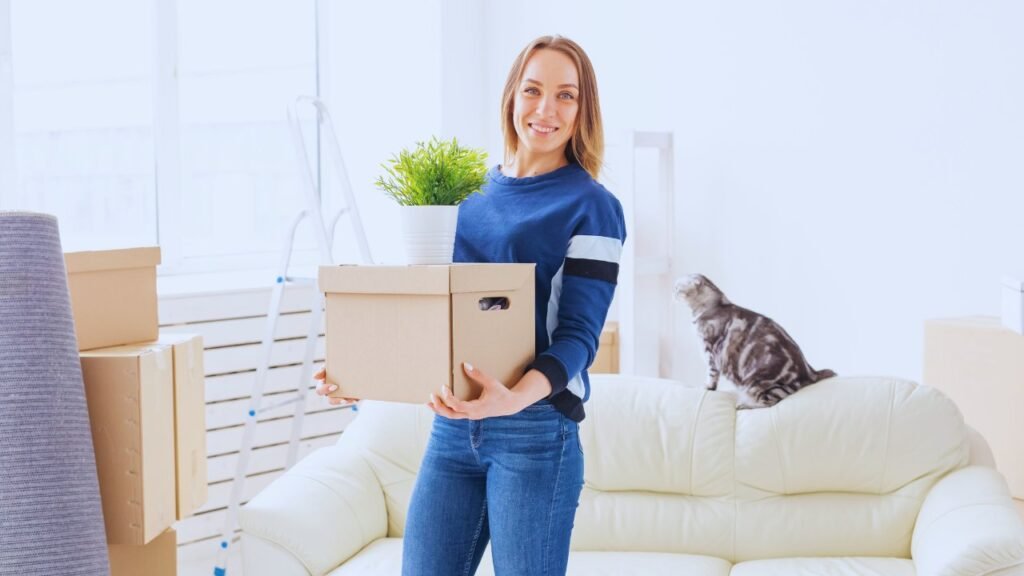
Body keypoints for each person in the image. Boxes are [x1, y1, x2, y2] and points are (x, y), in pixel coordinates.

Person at [315, 35, 626, 576]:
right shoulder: (464, 197)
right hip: (452, 429)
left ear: (584, 110)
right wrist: (363, 370)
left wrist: (513, 399)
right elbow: (434, 311)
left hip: (535, 432)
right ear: (512, 97)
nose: (546, 109)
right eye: (533, 90)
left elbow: (579, 335)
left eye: (566, 95)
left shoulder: (594, 207)